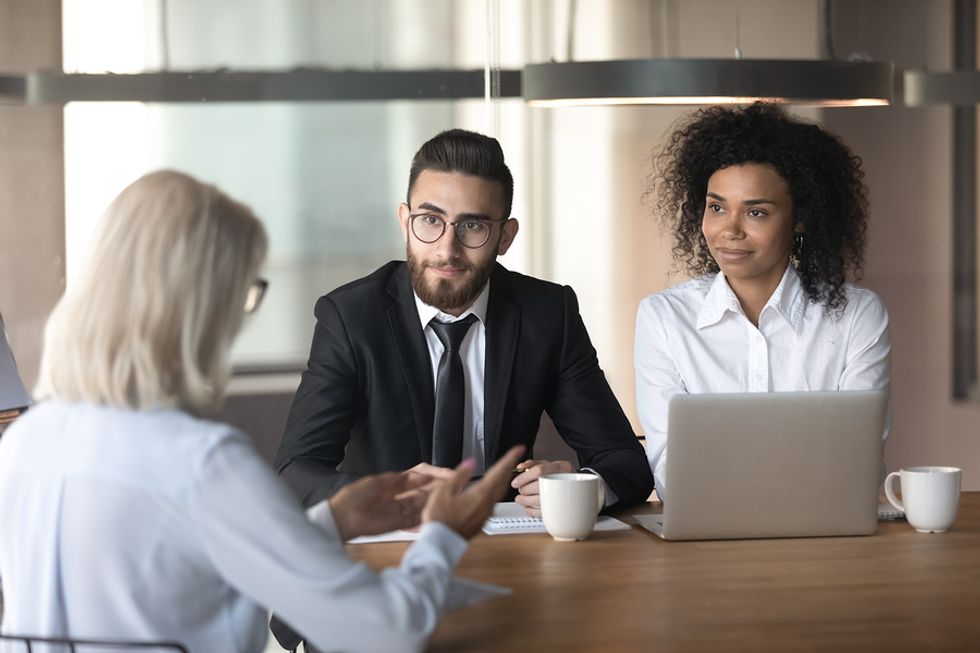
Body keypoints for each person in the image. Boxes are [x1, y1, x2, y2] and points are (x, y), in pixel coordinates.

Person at [0, 170, 525, 653]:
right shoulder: (202, 464)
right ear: (200, 306)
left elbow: (188, 556)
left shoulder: (27, 443)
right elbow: (386, 632)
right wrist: (443, 536)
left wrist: (332, 521)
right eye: (245, 293)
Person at [275, 129, 653, 516]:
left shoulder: (547, 314)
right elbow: (295, 473)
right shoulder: (351, 318)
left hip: (509, 545)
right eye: (430, 220)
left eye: (472, 226)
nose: (446, 249)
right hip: (391, 543)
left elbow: (626, 462)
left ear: (505, 237)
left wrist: (582, 486)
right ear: (405, 220)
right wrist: (392, 494)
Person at [636, 102, 891, 500]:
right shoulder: (665, 318)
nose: (729, 230)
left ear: (800, 217)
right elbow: (672, 473)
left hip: (824, 542)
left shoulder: (857, 316)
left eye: (756, 212)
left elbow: (857, 463)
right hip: (705, 541)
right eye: (716, 207)